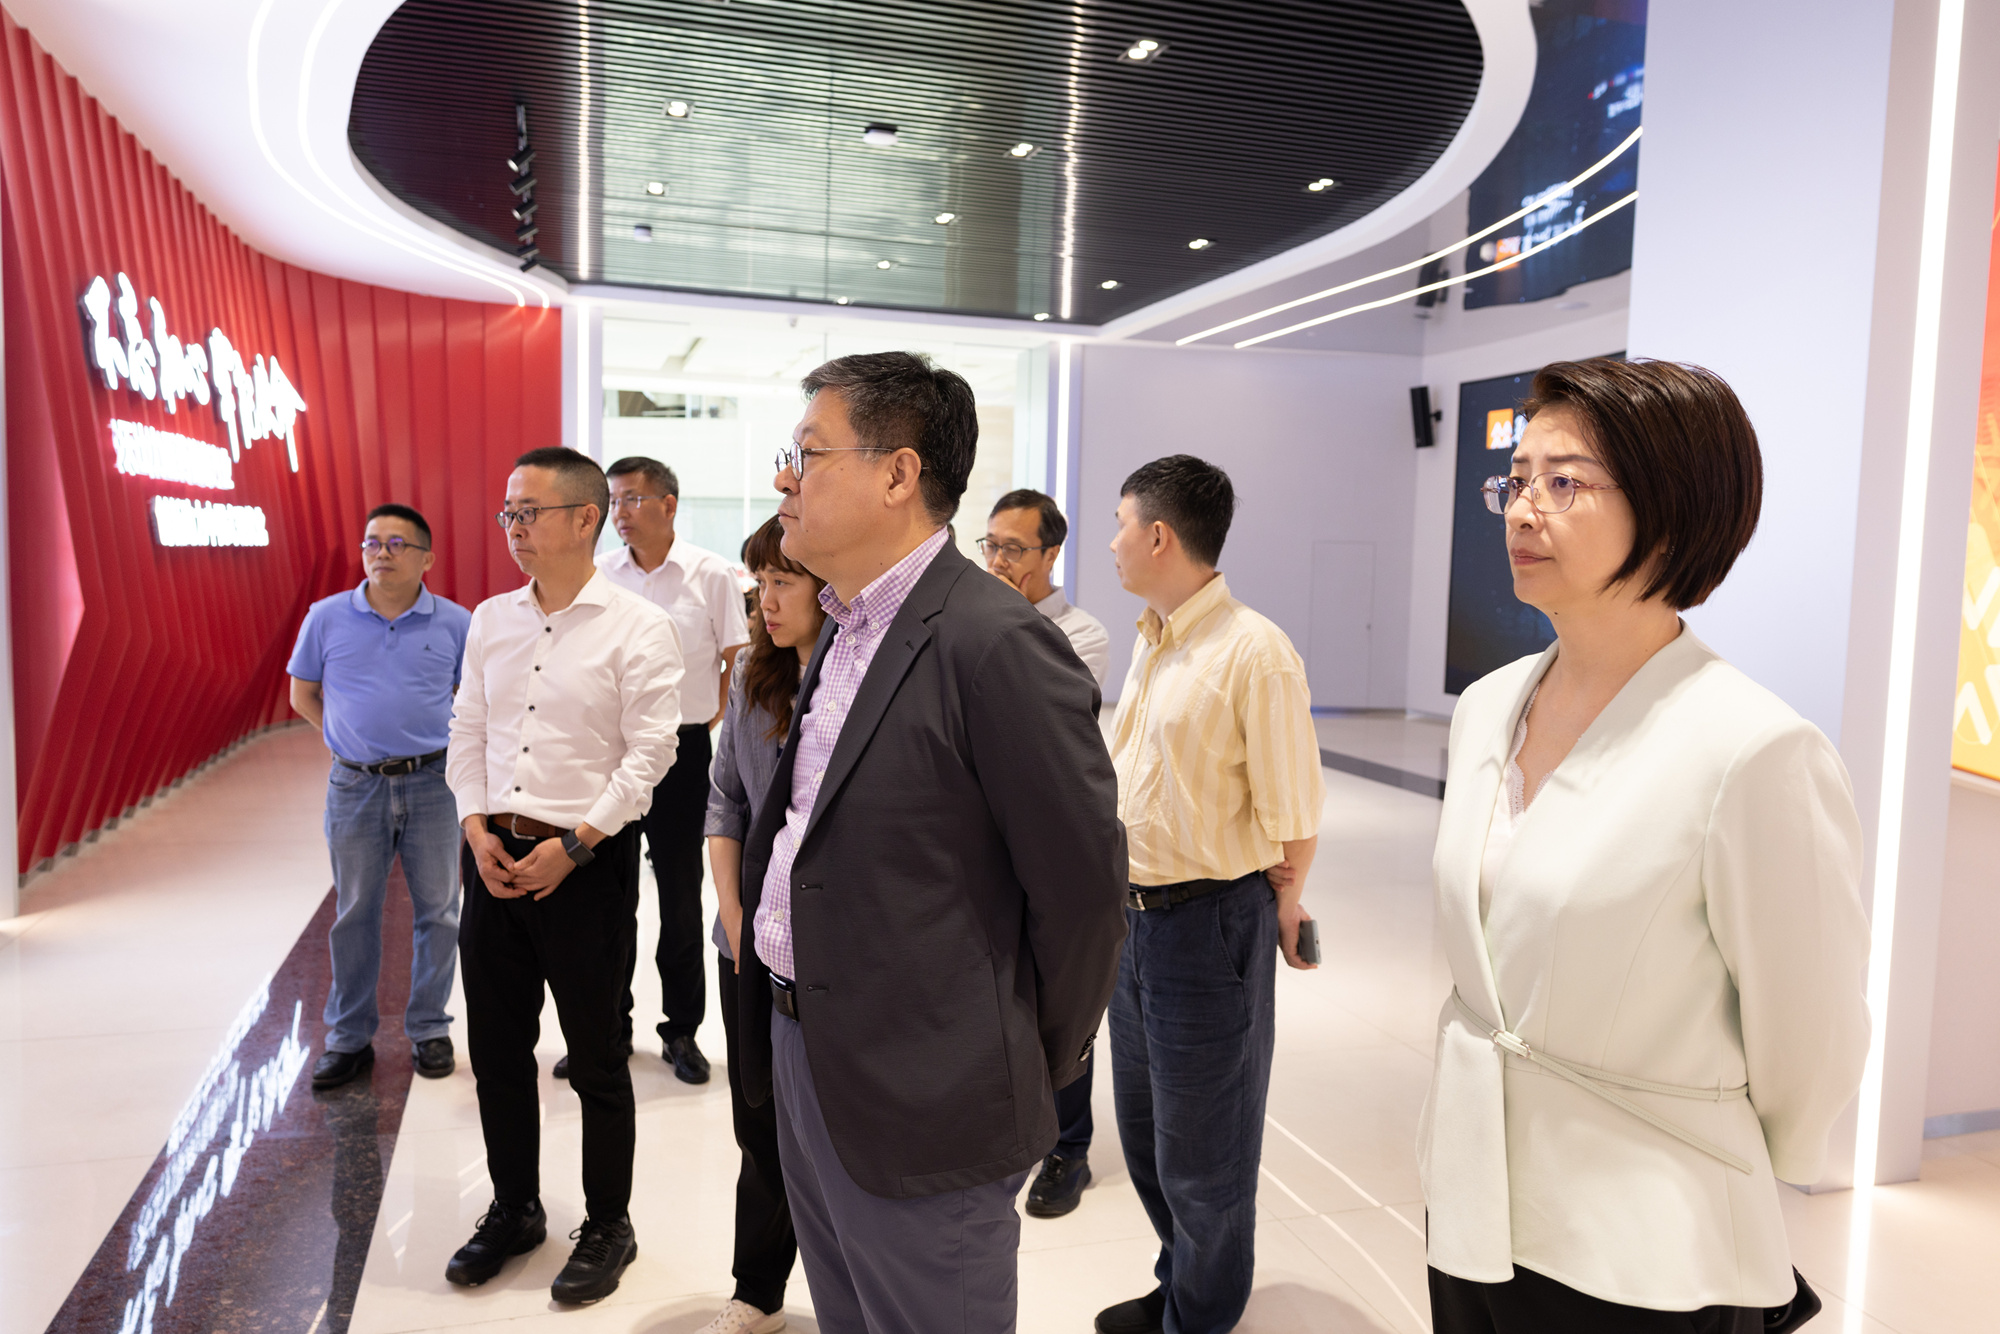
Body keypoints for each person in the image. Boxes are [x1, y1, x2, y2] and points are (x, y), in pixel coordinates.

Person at [1420, 359, 1870, 1332]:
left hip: (1647, 1231)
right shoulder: (1487, 706)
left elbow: (1812, 1030)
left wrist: (1724, 1147)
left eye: (1563, 482)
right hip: (1470, 1191)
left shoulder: (1751, 747)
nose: (1522, 510)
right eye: (1516, 479)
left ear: (1669, 511)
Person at [735, 351, 1127, 1334]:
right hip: (806, 1046)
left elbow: (1082, 892)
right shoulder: (845, 624)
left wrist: (1013, 1056)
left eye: (808, 452)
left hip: (927, 1086)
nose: (784, 476)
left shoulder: (994, 641)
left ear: (897, 474)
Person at [443, 447, 684, 1304]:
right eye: (507, 512)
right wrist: (474, 827)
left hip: (585, 866)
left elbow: (652, 753)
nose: (513, 527)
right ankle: (515, 1208)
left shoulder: (637, 625)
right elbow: (467, 727)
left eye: (529, 512)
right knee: (497, 1051)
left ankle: (609, 1223)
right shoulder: (491, 619)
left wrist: (576, 845)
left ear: (586, 518)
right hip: (494, 860)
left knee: (595, 1057)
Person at [1097, 454, 1326, 1334]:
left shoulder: (1254, 652)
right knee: (1148, 1135)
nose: (1113, 542)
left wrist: (1287, 905)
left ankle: (1201, 1314)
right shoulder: (1155, 640)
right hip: (1133, 923)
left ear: (1159, 535)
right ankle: (1180, 1283)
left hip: (1208, 925)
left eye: (1120, 524)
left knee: (1207, 1155)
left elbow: (1293, 810)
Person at [559, 456, 747, 1087]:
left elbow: (735, 660)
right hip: (608, 756)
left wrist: (705, 720)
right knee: (608, 898)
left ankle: (681, 1031)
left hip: (682, 754)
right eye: (613, 501)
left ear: (669, 504)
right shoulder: (599, 575)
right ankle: (607, 1028)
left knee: (679, 898)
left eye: (633, 499)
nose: (619, 513)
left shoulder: (709, 574)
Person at [289, 504, 472, 1089]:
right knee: (355, 913)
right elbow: (303, 694)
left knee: (439, 910)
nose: (382, 553)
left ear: (426, 558)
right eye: (372, 542)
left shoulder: (456, 623)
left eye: (397, 543)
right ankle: (348, 1038)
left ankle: (429, 1028)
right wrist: (347, 742)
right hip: (355, 785)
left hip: (434, 783)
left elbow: (472, 701)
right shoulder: (326, 617)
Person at [697, 514, 826, 1334]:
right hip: (750, 935)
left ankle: (852, 1288)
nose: (765, 602)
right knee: (758, 1120)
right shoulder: (752, 671)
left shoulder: (861, 673)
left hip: (832, 948)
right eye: (759, 584)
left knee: (834, 1130)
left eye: (783, 582)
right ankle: (758, 1291)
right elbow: (725, 801)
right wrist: (734, 915)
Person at [978, 487, 1110, 1219]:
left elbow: (1030, 723)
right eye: (991, 545)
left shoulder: (1082, 634)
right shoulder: (973, 620)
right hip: (986, 840)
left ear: (1051, 554)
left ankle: (1071, 1148)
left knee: (1063, 996)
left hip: (1050, 838)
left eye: (1014, 549)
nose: (998, 561)